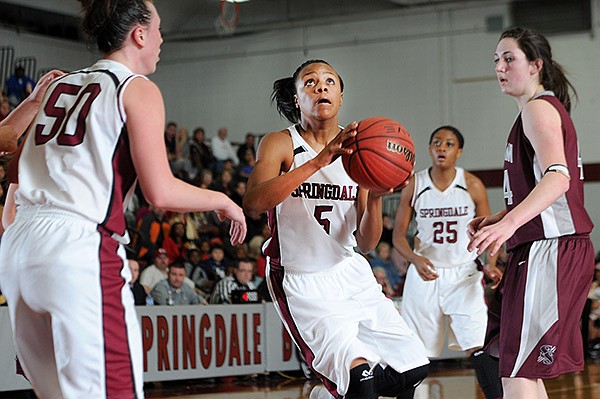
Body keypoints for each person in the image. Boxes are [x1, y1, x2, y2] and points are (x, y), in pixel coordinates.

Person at [0, 2, 246, 398]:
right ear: (139, 34)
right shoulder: (136, 88)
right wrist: (223, 199)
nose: (163, 39)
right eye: (159, 28)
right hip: (77, 247)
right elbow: (160, 191)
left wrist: (18, 232)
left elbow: (14, 176)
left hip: (19, 248)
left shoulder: (56, 87)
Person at [243, 59, 428, 399]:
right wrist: (318, 162)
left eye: (329, 81)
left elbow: (368, 243)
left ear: (341, 96)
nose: (321, 86)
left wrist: (374, 200)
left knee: (413, 370)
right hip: (301, 278)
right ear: (297, 98)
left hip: (349, 271)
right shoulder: (280, 143)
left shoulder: (360, 146)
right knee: (360, 380)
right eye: (310, 82)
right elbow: (253, 203)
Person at [467, 27, 594, 399]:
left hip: (551, 249)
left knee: (517, 370)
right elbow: (545, 187)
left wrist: (509, 223)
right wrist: (503, 215)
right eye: (496, 60)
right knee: (516, 367)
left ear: (536, 65)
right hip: (544, 248)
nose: (500, 67)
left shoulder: (539, 108)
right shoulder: (538, 110)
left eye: (509, 58)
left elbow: (558, 177)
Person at [393, 125, 503, 399]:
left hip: (464, 273)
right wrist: (414, 259)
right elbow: (397, 237)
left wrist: (490, 263)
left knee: (478, 344)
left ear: (459, 151)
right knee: (413, 352)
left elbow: (488, 232)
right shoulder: (414, 184)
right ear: (429, 149)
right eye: (436, 143)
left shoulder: (472, 184)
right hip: (425, 272)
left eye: (449, 144)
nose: (441, 147)